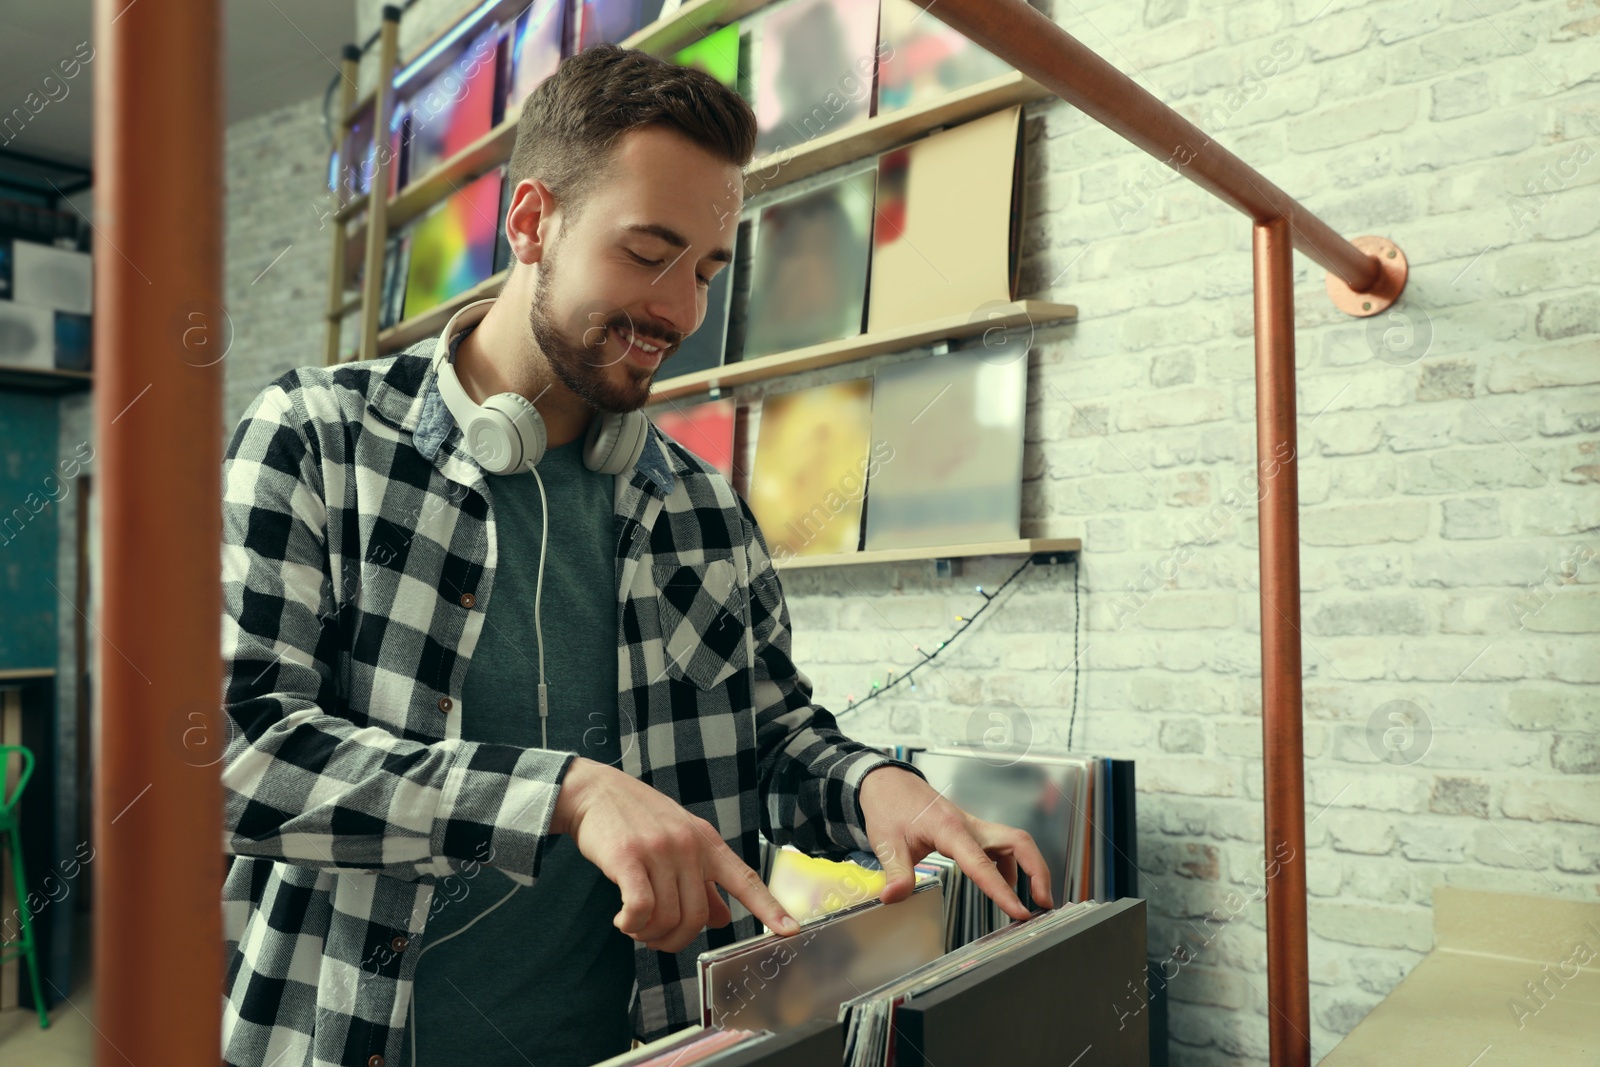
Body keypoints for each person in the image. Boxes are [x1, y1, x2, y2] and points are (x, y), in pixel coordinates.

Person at [219, 43, 1052, 1067]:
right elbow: (231, 755)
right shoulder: (315, 435)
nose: (682, 311)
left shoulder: (702, 508)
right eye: (647, 252)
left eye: (705, 270)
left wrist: (877, 785)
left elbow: (773, 733)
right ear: (531, 223)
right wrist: (565, 790)